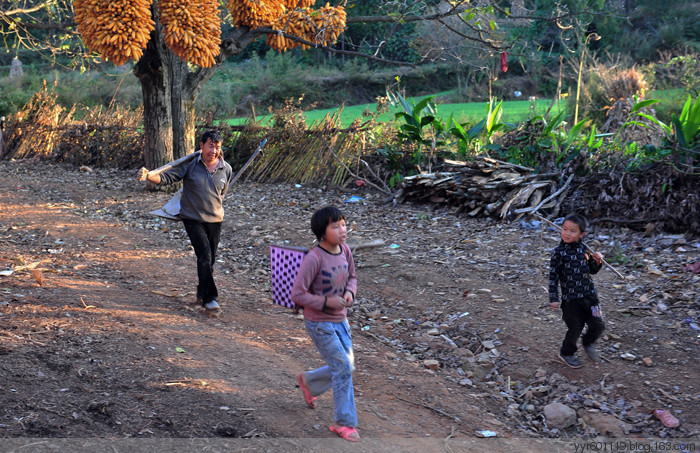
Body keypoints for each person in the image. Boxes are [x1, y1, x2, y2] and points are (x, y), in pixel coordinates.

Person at [137, 130, 233, 311]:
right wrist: (149, 175)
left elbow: (223, 192)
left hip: (215, 219)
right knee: (204, 254)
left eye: (217, 147)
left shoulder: (226, 169)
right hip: (192, 218)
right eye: (210, 146)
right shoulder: (191, 165)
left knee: (210, 259)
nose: (214, 151)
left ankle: (201, 290)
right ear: (202, 146)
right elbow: (166, 178)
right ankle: (209, 298)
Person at [290, 206, 360, 442]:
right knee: (343, 368)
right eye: (335, 226)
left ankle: (308, 381)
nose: (342, 230)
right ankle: (344, 423)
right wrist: (326, 301)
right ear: (322, 232)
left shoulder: (345, 251)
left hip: (342, 321)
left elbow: (352, 277)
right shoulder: (315, 258)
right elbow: (298, 294)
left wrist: (350, 292)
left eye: (343, 224)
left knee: (346, 366)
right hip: (320, 323)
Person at [549, 213, 605, 368]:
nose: (567, 233)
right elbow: (553, 277)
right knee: (575, 328)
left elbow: (592, 271)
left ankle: (588, 342)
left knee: (598, 324)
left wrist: (597, 261)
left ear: (581, 234)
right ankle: (567, 352)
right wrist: (553, 297)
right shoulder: (558, 253)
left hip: (590, 297)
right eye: (565, 229)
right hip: (571, 301)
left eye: (572, 231)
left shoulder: (584, 250)